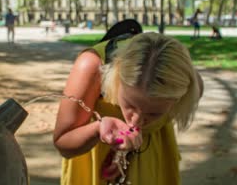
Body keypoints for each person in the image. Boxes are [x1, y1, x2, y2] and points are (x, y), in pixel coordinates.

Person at [54, 31, 204, 185]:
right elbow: (63, 144)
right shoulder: (92, 66)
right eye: (130, 104)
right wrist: (98, 130)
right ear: (117, 77)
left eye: (154, 113)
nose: (135, 120)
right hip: (92, 160)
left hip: (153, 159)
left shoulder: (189, 84)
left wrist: (127, 149)